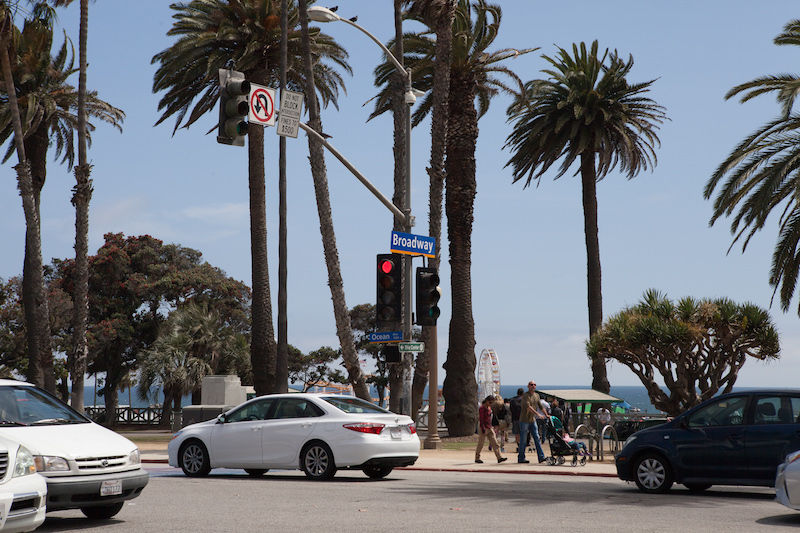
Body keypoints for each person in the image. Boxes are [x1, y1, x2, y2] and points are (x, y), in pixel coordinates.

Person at [518, 381, 547, 464]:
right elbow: (528, 407)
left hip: (532, 420)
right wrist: (538, 414)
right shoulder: (525, 396)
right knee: (523, 440)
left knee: (537, 438)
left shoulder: (537, 395)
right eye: (531, 385)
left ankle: (541, 457)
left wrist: (546, 414)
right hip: (524, 420)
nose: (533, 386)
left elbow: (541, 406)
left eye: (534, 385)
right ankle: (521, 458)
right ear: (528, 386)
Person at [475, 395, 508, 464]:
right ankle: (477, 457)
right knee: (481, 443)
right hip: (483, 427)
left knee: (495, 442)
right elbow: (481, 419)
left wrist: (491, 426)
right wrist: (483, 428)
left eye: (492, 403)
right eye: (490, 402)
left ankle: (499, 457)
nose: (490, 404)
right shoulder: (482, 408)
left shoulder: (489, 408)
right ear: (486, 401)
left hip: (489, 427)